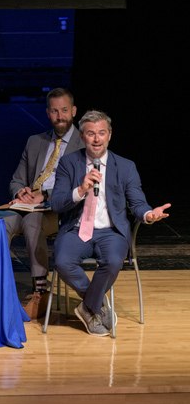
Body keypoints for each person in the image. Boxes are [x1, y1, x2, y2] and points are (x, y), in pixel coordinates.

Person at [51, 110, 170, 337]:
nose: (96, 139)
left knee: (114, 261)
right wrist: (80, 190)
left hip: (111, 232)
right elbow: (56, 203)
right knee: (63, 262)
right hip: (76, 229)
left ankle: (88, 307)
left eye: (101, 133)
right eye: (91, 134)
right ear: (83, 136)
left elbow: (137, 203)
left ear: (109, 136)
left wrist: (148, 215)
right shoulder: (68, 163)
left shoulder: (125, 167)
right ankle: (96, 303)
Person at [5, 88, 82, 319]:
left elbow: (79, 187)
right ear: (48, 113)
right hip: (29, 206)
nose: (60, 117)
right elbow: (16, 179)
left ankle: (41, 291)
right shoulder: (35, 141)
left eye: (65, 111)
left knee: (32, 222)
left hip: (61, 212)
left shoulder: (83, 144)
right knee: (0, 224)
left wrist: (45, 195)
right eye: (55, 111)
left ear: (74, 111)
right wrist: (22, 192)